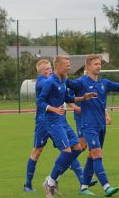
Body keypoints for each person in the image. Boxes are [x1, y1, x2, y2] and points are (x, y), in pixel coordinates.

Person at [66, 54, 119, 197]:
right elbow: (67, 87)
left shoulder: (104, 83)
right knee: (97, 154)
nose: (99, 66)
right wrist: (58, 75)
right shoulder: (80, 83)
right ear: (87, 67)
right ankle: (107, 187)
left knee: (92, 156)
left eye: (100, 64)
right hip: (88, 125)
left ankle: (84, 187)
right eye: (95, 64)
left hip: (101, 126)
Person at [39, 55, 97, 198]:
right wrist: (54, 109)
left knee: (77, 148)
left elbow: (67, 98)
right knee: (66, 151)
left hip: (62, 121)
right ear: (58, 66)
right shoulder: (50, 82)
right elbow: (40, 102)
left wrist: (83, 98)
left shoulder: (64, 80)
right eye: (67, 65)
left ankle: (52, 180)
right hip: (52, 121)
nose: (69, 67)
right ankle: (50, 182)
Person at [23, 59, 53, 192]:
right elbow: (51, 83)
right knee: (37, 150)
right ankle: (27, 184)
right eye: (46, 69)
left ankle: (83, 183)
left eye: (50, 67)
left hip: (54, 120)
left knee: (68, 147)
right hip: (42, 121)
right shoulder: (41, 81)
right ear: (41, 72)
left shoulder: (51, 79)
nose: (50, 70)